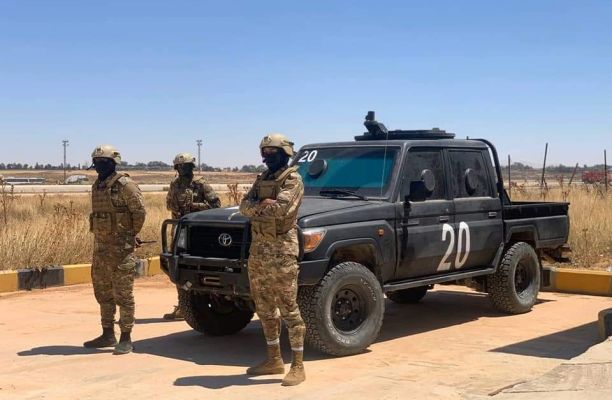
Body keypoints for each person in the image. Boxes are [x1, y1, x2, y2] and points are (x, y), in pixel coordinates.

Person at [239, 133, 306, 386]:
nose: (266, 157)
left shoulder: (293, 180)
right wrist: (260, 203)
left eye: (271, 152)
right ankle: (274, 360)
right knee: (265, 309)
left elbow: (281, 210)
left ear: (285, 153)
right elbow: (243, 206)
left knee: (289, 308)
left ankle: (298, 366)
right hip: (259, 253)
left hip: (282, 253)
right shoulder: (262, 179)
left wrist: (258, 205)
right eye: (264, 152)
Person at [83, 145, 146, 355]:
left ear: (113, 163)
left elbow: (139, 212)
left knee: (124, 295)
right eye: (97, 162)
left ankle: (126, 337)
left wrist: (129, 235)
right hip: (101, 250)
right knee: (103, 293)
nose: (99, 165)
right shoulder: (98, 186)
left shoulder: (125, 185)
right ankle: (107, 333)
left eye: (103, 162)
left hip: (121, 251)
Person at [163, 152, 221, 320]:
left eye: (187, 166)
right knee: (178, 268)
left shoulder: (200, 184)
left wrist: (194, 206)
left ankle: (196, 304)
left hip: (198, 232)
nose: (184, 169)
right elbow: (169, 203)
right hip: (179, 230)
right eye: (180, 167)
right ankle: (183, 305)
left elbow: (215, 205)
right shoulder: (174, 184)